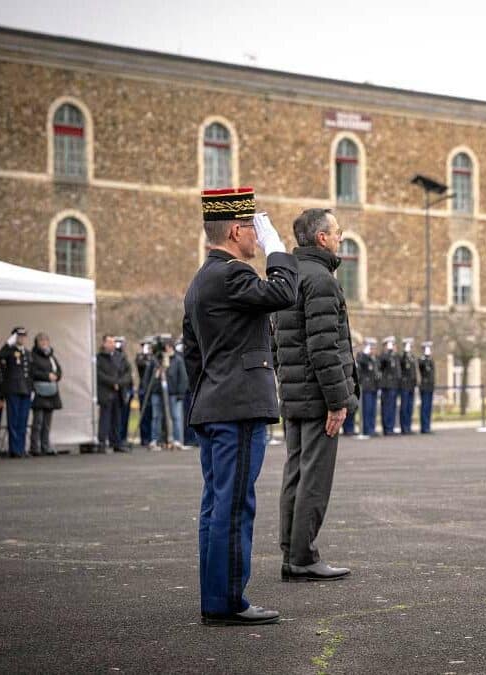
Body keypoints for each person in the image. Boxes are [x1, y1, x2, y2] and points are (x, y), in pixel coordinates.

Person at [182, 187, 297, 626]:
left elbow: (193, 355)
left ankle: (218, 596)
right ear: (235, 229)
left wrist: (208, 395)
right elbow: (284, 293)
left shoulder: (200, 280)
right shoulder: (232, 274)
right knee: (233, 506)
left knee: (217, 504)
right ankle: (227, 601)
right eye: (253, 227)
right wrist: (278, 249)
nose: (257, 236)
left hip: (214, 404)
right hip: (237, 407)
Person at [273, 208, 358, 584]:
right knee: (314, 477)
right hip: (317, 395)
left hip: (294, 390)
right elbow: (326, 348)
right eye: (337, 232)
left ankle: (291, 551)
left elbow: (277, 341)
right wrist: (338, 401)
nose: (341, 237)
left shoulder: (287, 276)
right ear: (321, 238)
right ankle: (303, 555)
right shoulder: (321, 280)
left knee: (295, 472)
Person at [144, 339, 189, 450]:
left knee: (176, 416)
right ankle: (156, 440)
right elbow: (147, 378)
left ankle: (177, 440)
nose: (166, 350)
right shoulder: (155, 360)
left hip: (173, 393)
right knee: (156, 416)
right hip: (157, 392)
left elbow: (183, 378)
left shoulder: (178, 360)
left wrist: (180, 393)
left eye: (167, 347)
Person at [0, 326, 32, 458]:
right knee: (13, 420)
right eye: (19, 336)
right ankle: (14, 449)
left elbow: (30, 373)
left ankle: (21, 448)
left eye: (23, 336)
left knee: (23, 421)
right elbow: (0, 355)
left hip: (26, 390)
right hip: (13, 390)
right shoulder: (10, 351)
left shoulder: (27, 353)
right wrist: (8, 342)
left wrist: (32, 389)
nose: (22, 338)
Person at [96, 334, 133, 453]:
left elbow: (128, 373)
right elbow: (99, 374)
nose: (112, 344)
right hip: (106, 392)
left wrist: (119, 383)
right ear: (104, 343)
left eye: (113, 342)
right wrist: (113, 383)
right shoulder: (99, 358)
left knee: (117, 419)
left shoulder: (121, 357)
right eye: (109, 342)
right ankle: (102, 443)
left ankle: (116, 442)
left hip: (119, 392)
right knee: (105, 419)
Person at [28, 333, 62, 457]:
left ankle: (45, 445)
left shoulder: (51, 356)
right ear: (36, 343)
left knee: (47, 423)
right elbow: (33, 372)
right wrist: (47, 376)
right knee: (38, 421)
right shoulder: (33, 356)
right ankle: (34, 447)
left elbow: (59, 370)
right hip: (39, 392)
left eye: (46, 340)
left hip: (51, 392)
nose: (44, 343)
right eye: (41, 341)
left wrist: (56, 376)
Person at [356, 339, 379, 439]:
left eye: (373, 347)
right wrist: (365, 353)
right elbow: (362, 362)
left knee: (373, 410)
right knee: (367, 410)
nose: (372, 350)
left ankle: (372, 429)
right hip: (366, 388)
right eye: (370, 347)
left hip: (374, 387)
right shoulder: (362, 356)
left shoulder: (373, 359)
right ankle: (366, 430)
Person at [378, 336, 400, 435]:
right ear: (385, 346)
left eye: (393, 344)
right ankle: (387, 428)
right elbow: (382, 363)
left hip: (394, 386)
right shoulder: (383, 356)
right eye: (390, 345)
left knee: (392, 407)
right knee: (387, 407)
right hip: (387, 386)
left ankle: (391, 427)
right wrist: (388, 352)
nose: (393, 347)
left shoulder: (395, 357)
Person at [115, 337, 133, 447]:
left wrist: (120, 383)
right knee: (118, 417)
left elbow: (128, 375)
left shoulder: (124, 359)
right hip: (116, 391)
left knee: (125, 416)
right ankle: (118, 438)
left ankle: (123, 437)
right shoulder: (114, 359)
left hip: (124, 390)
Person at [135, 339, 153, 448]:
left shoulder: (154, 358)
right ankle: (144, 438)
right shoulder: (140, 357)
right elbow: (140, 365)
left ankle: (152, 437)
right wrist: (145, 355)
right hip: (144, 388)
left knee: (153, 415)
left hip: (153, 389)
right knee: (144, 414)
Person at [398, 337, 417, 435]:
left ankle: (408, 426)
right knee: (404, 407)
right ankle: (404, 427)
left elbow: (414, 371)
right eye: (409, 345)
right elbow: (401, 364)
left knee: (410, 407)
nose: (411, 347)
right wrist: (405, 353)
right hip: (404, 385)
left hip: (411, 385)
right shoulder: (403, 357)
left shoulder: (412, 357)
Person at [418, 341, 436, 434]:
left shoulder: (430, 360)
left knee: (429, 407)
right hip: (424, 386)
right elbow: (421, 366)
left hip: (430, 386)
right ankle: (424, 427)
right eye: (427, 348)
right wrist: (425, 357)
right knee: (425, 407)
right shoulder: (422, 360)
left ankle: (427, 426)